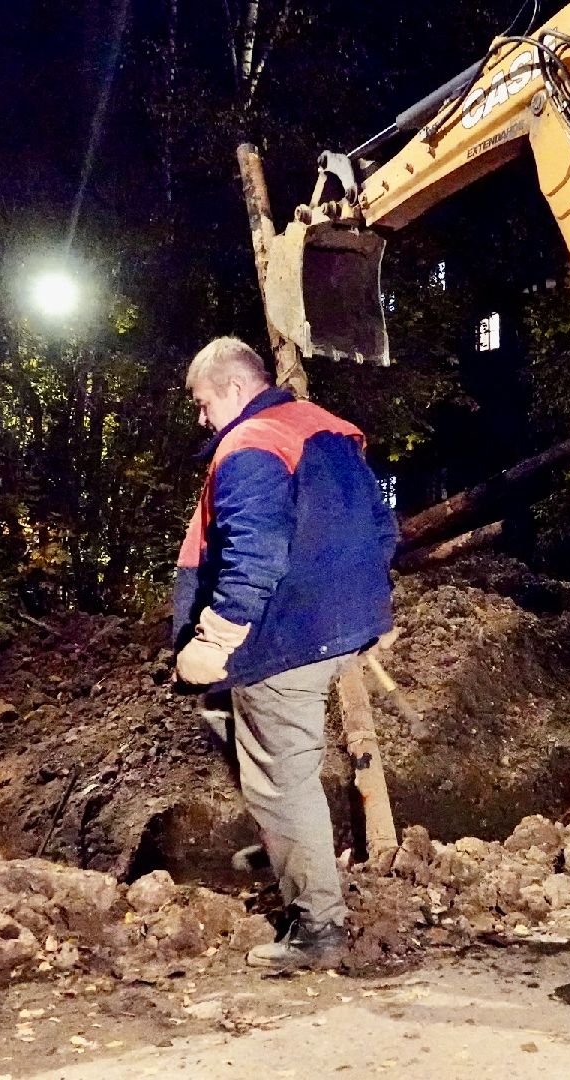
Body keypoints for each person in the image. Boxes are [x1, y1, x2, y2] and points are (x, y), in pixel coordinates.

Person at [171, 337, 398, 971]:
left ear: (237, 390)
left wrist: (216, 638)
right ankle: (289, 846)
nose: (202, 418)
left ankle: (317, 928)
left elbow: (255, 554)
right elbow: (384, 529)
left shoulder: (250, 446)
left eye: (203, 402)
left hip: (283, 638)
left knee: (281, 777)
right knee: (232, 726)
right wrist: (369, 609)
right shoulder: (325, 431)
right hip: (337, 628)